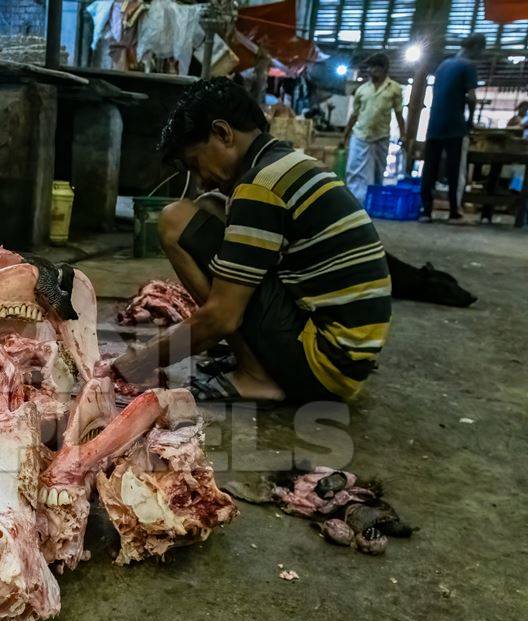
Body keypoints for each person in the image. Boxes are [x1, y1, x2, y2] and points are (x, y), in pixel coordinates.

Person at [105, 78, 392, 404]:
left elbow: (222, 318)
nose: (200, 180)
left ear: (223, 133)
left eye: (196, 163)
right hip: (345, 361)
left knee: (175, 218)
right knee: (210, 208)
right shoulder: (286, 163)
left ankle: (256, 376)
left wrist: (139, 363)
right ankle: (258, 363)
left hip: (323, 368)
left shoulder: (261, 184)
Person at [420, 34, 486, 223]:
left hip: (433, 125)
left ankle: (426, 211)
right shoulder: (468, 65)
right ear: (476, 47)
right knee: (455, 169)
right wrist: (470, 120)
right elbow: (472, 97)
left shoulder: (443, 65)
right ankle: (454, 213)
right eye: (482, 50)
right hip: (454, 126)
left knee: (430, 168)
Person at [343, 53, 407, 204]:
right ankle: (353, 202)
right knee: (354, 169)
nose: (371, 71)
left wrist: (403, 135)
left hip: (381, 136)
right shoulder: (362, 90)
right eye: (370, 68)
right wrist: (345, 134)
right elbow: (355, 114)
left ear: (384, 69)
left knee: (379, 170)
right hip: (360, 135)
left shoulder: (395, 89)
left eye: (375, 67)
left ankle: (374, 201)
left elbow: (399, 114)